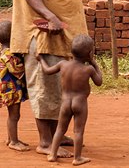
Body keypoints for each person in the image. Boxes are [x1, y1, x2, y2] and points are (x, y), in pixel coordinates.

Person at [10, 0, 88, 159]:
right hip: (41, 34)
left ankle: (56, 135)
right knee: (43, 87)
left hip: (56, 36)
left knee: (55, 87)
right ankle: (45, 141)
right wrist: (52, 17)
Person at [36, 34, 102, 166]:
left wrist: (41, 59)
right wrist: (94, 63)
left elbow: (48, 70)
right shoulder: (88, 69)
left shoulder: (63, 64)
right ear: (90, 53)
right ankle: (77, 158)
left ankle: (52, 154)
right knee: (78, 131)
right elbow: (99, 82)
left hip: (65, 103)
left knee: (60, 129)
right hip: (80, 103)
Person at [0, 20, 30, 152]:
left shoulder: (6, 52)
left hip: (10, 88)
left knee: (12, 115)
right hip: (10, 89)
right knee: (14, 115)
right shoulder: (8, 55)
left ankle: (10, 138)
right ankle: (13, 141)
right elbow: (17, 70)